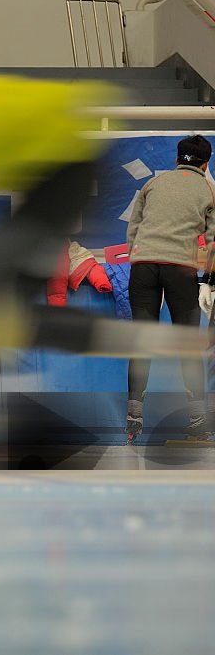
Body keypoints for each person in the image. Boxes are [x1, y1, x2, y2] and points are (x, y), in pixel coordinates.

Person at [128, 135, 215, 443]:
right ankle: (198, 418)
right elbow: (214, 241)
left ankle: (133, 417)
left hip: (143, 266)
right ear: (206, 164)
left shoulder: (154, 184)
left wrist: (139, 257)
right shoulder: (207, 188)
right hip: (180, 269)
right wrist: (208, 280)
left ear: (177, 159)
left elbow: (133, 229)